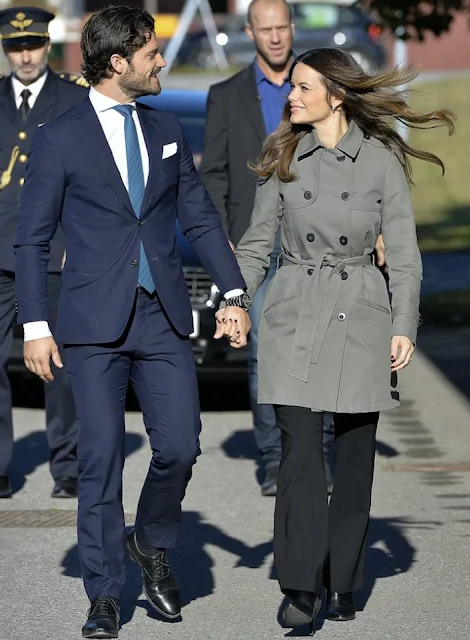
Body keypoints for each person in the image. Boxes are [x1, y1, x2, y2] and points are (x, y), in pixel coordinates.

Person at [14, 6, 250, 638]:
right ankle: (104, 595)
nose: (160, 61)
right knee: (99, 460)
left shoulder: (166, 126)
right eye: (151, 52)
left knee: (180, 444)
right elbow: (32, 240)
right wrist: (35, 324)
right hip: (90, 325)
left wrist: (234, 292)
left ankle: (148, 540)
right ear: (118, 61)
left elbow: (199, 218)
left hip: (163, 316)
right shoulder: (61, 137)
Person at [227, 48, 454, 633]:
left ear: (337, 93)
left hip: (362, 315)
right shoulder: (284, 156)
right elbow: (256, 244)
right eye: (291, 87)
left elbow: (403, 255)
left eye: (303, 87)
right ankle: (301, 585)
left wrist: (404, 324)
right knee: (300, 456)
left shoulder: (379, 162)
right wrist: (236, 300)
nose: (291, 96)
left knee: (353, 461)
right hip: (293, 314)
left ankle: (344, 576)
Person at [200, 0, 333, 496]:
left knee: (318, 348)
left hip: (316, 238)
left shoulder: (320, 82)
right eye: (265, 29)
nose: (275, 38)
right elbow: (212, 172)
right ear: (250, 31)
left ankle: (319, 455)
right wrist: (221, 237)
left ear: (292, 29)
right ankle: (275, 459)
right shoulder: (226, 95)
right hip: (252, 240)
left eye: (282, 28)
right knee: (262, 354)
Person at [0, 6, 89, 501]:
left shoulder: (75, 99)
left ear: (47, 44)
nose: (25, 55)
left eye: (33, 45)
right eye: (15, 46)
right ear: (5, 49)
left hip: (55, 250)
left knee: (58, 364)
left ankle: (68, 465)